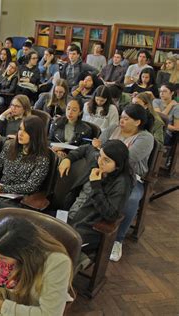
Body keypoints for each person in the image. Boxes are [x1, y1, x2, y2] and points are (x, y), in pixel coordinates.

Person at [0, 217, 73, 315]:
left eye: (2, 258)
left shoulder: (57, 263)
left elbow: (49, 314)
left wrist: (2, 307)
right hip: (6, 296)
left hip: (30, 308)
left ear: (23, 257)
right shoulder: (3, 242)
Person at [92, 104, 154, 261]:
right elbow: (97, 148)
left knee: (131, 199)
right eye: (121, 117)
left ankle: (117, 240)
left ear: (138, 122)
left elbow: (128, 160)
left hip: (131, 177)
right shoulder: (113, 129)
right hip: (105, 173)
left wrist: (103, 150)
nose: (121, 121)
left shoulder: (145, 138)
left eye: (126, 119)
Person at [58, 140, 135, 254]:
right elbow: (86, 148)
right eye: (100, 156)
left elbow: (111, 214)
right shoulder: (96, 161)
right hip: (69, 214)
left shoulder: (122, 183)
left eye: (106, 160)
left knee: (54, 247)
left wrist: (96, 185)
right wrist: (68, 159)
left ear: (118, 165)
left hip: (88, 227)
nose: (100, 162)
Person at [0, 115, 50, 215]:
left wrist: (1, 189)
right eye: (20, 129)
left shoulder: (42, 158)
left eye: (26, 131)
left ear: (35, 135)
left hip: (19, 200)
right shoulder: (10, 146)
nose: (20, 133)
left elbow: (30, 186)